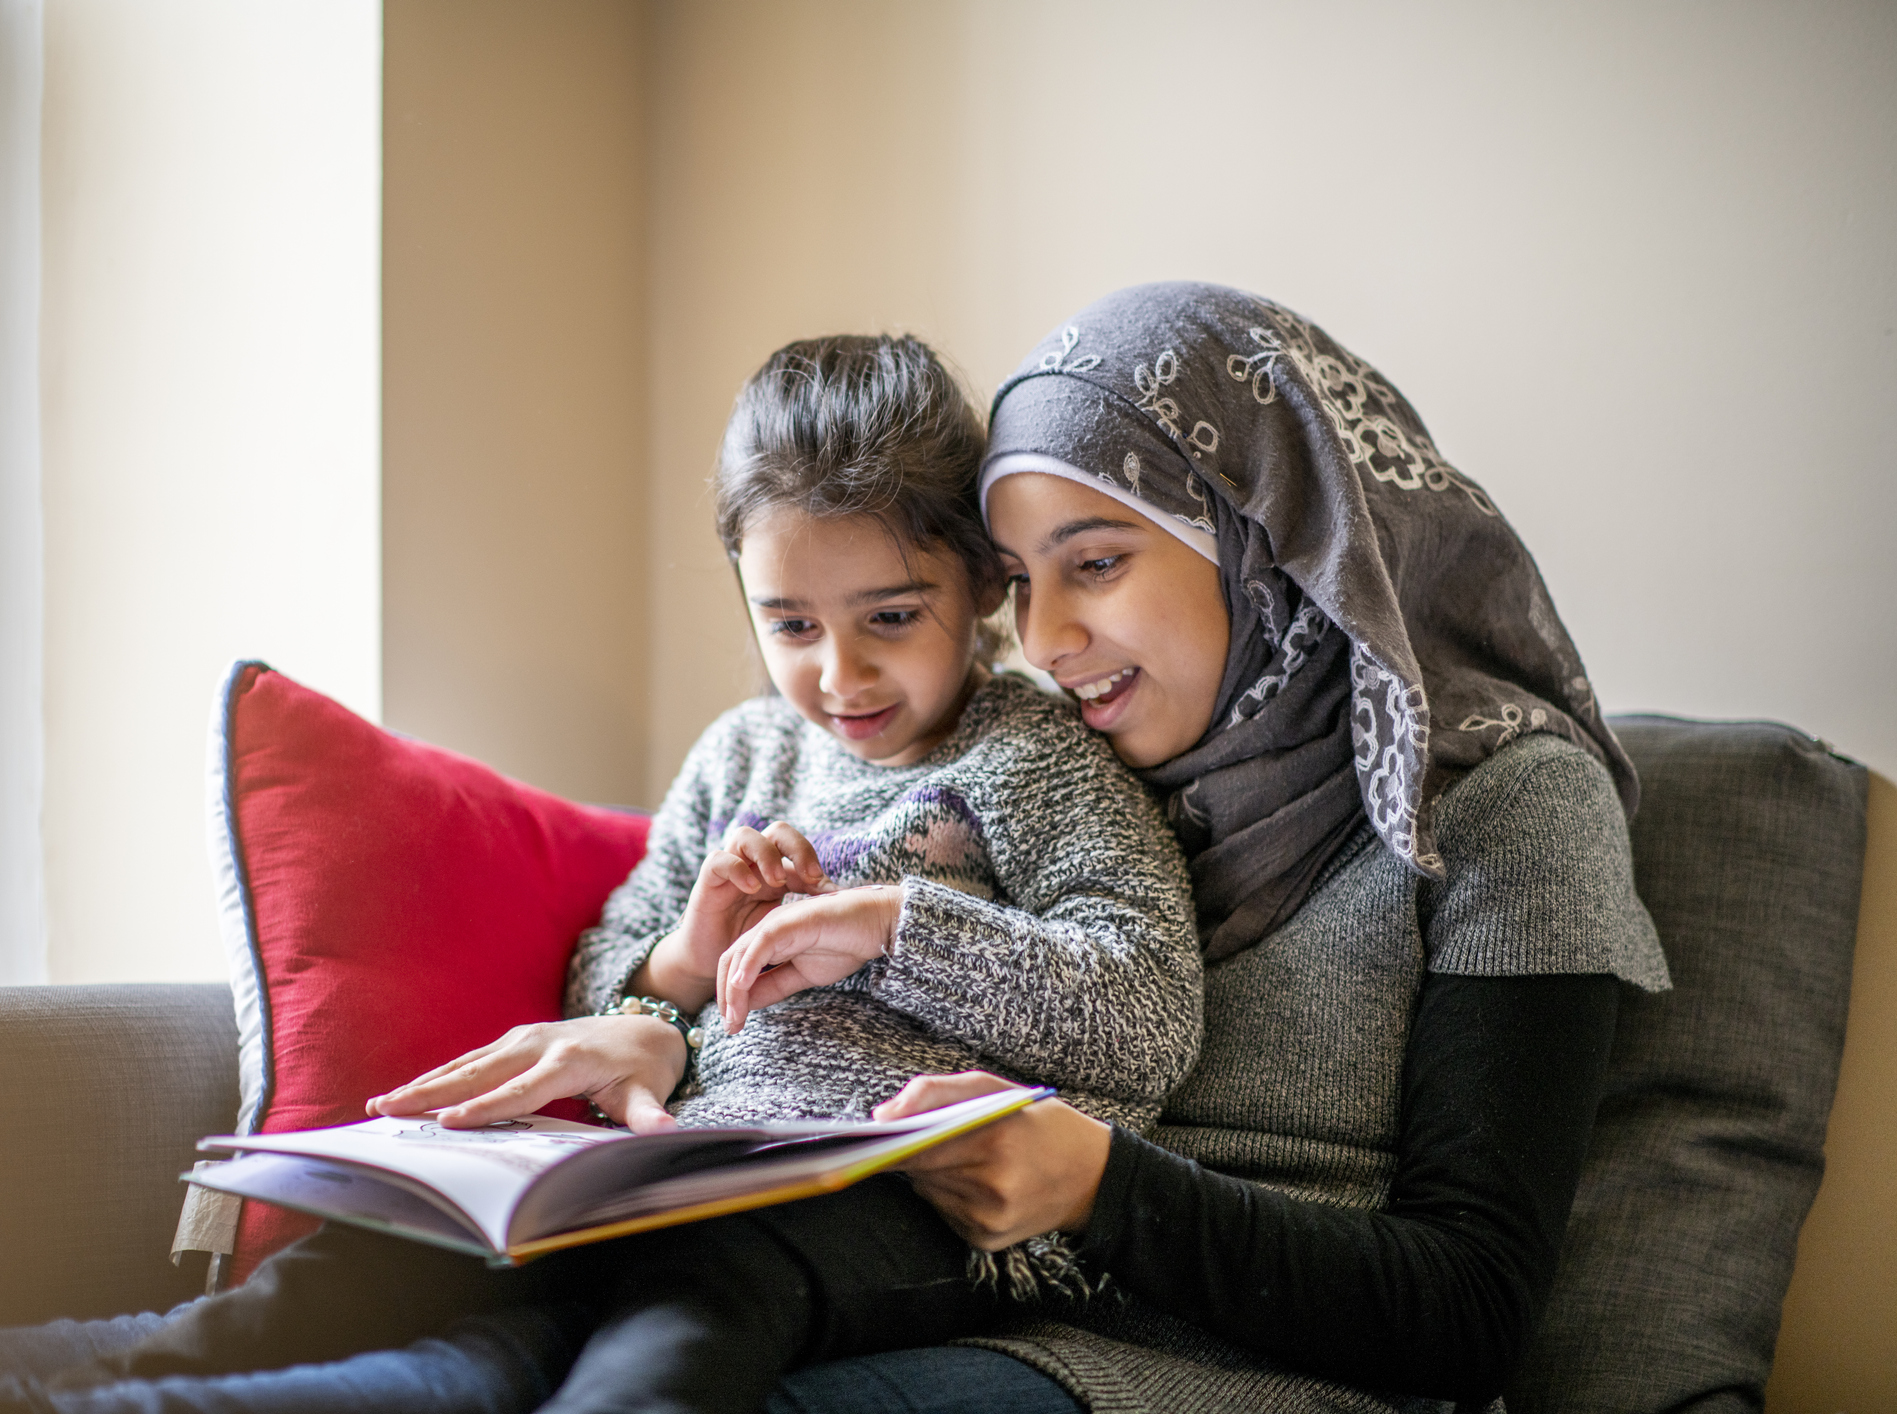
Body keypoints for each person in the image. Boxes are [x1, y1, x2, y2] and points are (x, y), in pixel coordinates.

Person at [0, 334, 1201, 1414]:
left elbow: (1147, 1009)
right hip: (666, 1169)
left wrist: (896, 926)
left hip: (894, 1204)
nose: (837, 674)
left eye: (890, 619)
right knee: (348, 1275)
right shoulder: (741, 756)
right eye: (789, 623)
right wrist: (683, 957)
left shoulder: (1039, 759)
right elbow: (605, 969)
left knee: (674, 1332)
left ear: (981, 586)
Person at [378, 283, 1671, 1414]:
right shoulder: (1125, 752)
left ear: (1266, 537)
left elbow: (1470, 1313)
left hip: (1227, 1373)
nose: (1044, 641)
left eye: (1094, 564)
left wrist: (1103, 1188)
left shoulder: (1504, 803)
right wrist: (666, 1013)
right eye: (1021, 581)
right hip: (967, 1304)